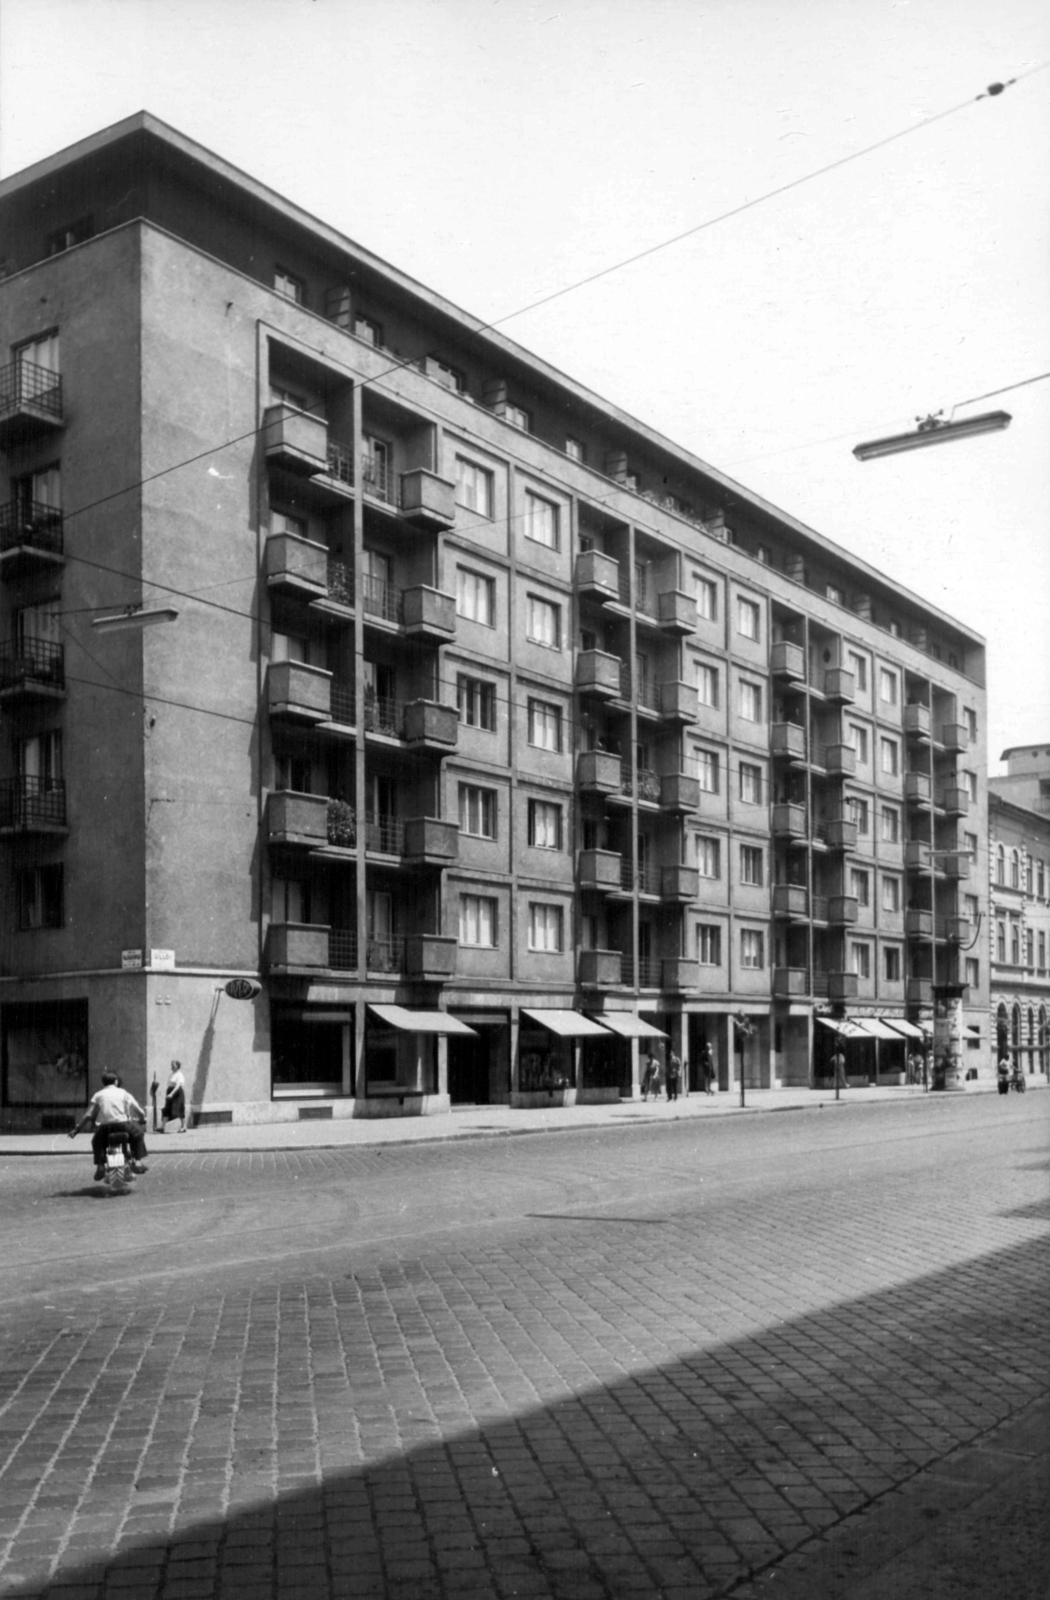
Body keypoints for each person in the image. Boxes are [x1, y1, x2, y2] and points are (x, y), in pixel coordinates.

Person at [69, 1072, 148, 1179]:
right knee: (138, 1134)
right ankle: (138, 1161)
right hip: (124, 1125)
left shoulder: (98, 1095)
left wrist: (77, 1130)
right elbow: (140, 1112)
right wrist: (142, 1120)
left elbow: (89, 1115)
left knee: (96, 1141)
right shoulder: (124, 1093)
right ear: (116, 1082)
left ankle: (100, 1165)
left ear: (103, 1083)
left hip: (106, 1128)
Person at [160, 1059, 187, 1132]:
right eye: (171, 1065)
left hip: (177, 1093)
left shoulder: (179, 1075)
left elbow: (178, 1086)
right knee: (167, 1109)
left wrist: (171, 1094)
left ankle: (183, 1127)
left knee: (179, 1109)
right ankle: (162, 1127)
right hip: (170, 1091)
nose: (171, 1066)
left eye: (173, 1065)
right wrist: (169, 1093)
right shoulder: (171, 1074)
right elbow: (169, 1084)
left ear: (177, 1066)